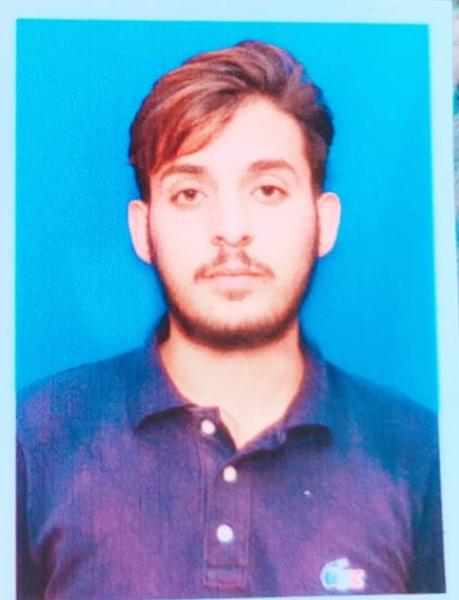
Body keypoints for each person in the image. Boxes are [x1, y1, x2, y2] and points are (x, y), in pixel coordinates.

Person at [16, 40, 445, 599]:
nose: (231, 228)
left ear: (324, 222)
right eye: (190, 193)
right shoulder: (33, 439)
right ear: (143, 230)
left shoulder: (422, 455)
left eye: (267, 189)